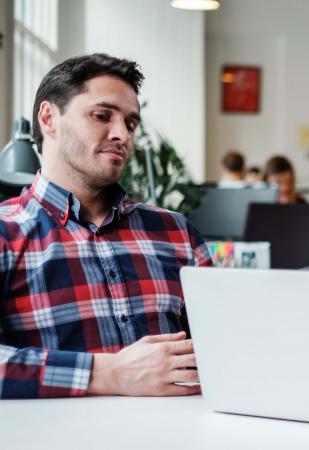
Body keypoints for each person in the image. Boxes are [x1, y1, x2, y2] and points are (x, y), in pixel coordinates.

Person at [0, 53, 211, 399]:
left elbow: (225, 350)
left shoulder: (177, 233)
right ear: (49, 118)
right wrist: (106, 374)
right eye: (102, 116)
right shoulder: (6, 233)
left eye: (130, 123)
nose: (122, 135)